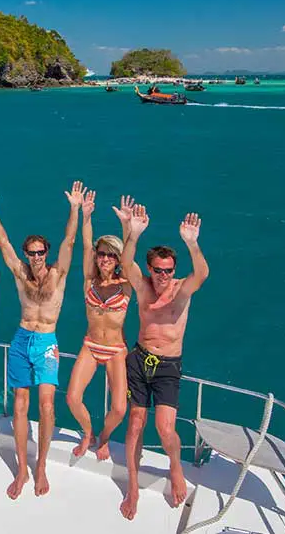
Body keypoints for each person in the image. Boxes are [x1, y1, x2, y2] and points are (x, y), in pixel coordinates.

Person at [0, 182, 85, 499]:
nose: (37, 257)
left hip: (47, 343)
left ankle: (40, 466)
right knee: (19, 406)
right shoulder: (20, 272)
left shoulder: (59, 273)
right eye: (32, 253)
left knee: (46, 405)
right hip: (21, 339)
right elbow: (2, 244)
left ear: (47, 253)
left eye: (42, 252)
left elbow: (70, 240)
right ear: (27, 255)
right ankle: (22, 470)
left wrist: (75, 208)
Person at [116, 204, 209, 520]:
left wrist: (192, 243)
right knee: (135, 424)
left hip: (168, 367)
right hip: (140, 360)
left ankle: (175, 466)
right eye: (159, 270)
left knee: (165, 428)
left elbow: (203, 274)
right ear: (150, 269)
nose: (164, 276)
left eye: (169, 270)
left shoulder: (181, 291)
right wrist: (133, 233)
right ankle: (133, 486)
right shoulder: (142, 287)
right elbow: (125, 262)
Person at [66, 190, 132, 461]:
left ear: (117, 260)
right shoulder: (88, 282)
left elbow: (131, 253)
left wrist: (127, 225)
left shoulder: (126, 284)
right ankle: (88, 432)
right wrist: (86, 216)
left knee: (119, 409)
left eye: (110, 255)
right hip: (91, 346)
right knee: (72, 398)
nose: (104, 258)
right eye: (101, 254)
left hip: (116, 349)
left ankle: (104, 437)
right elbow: (85, 245)